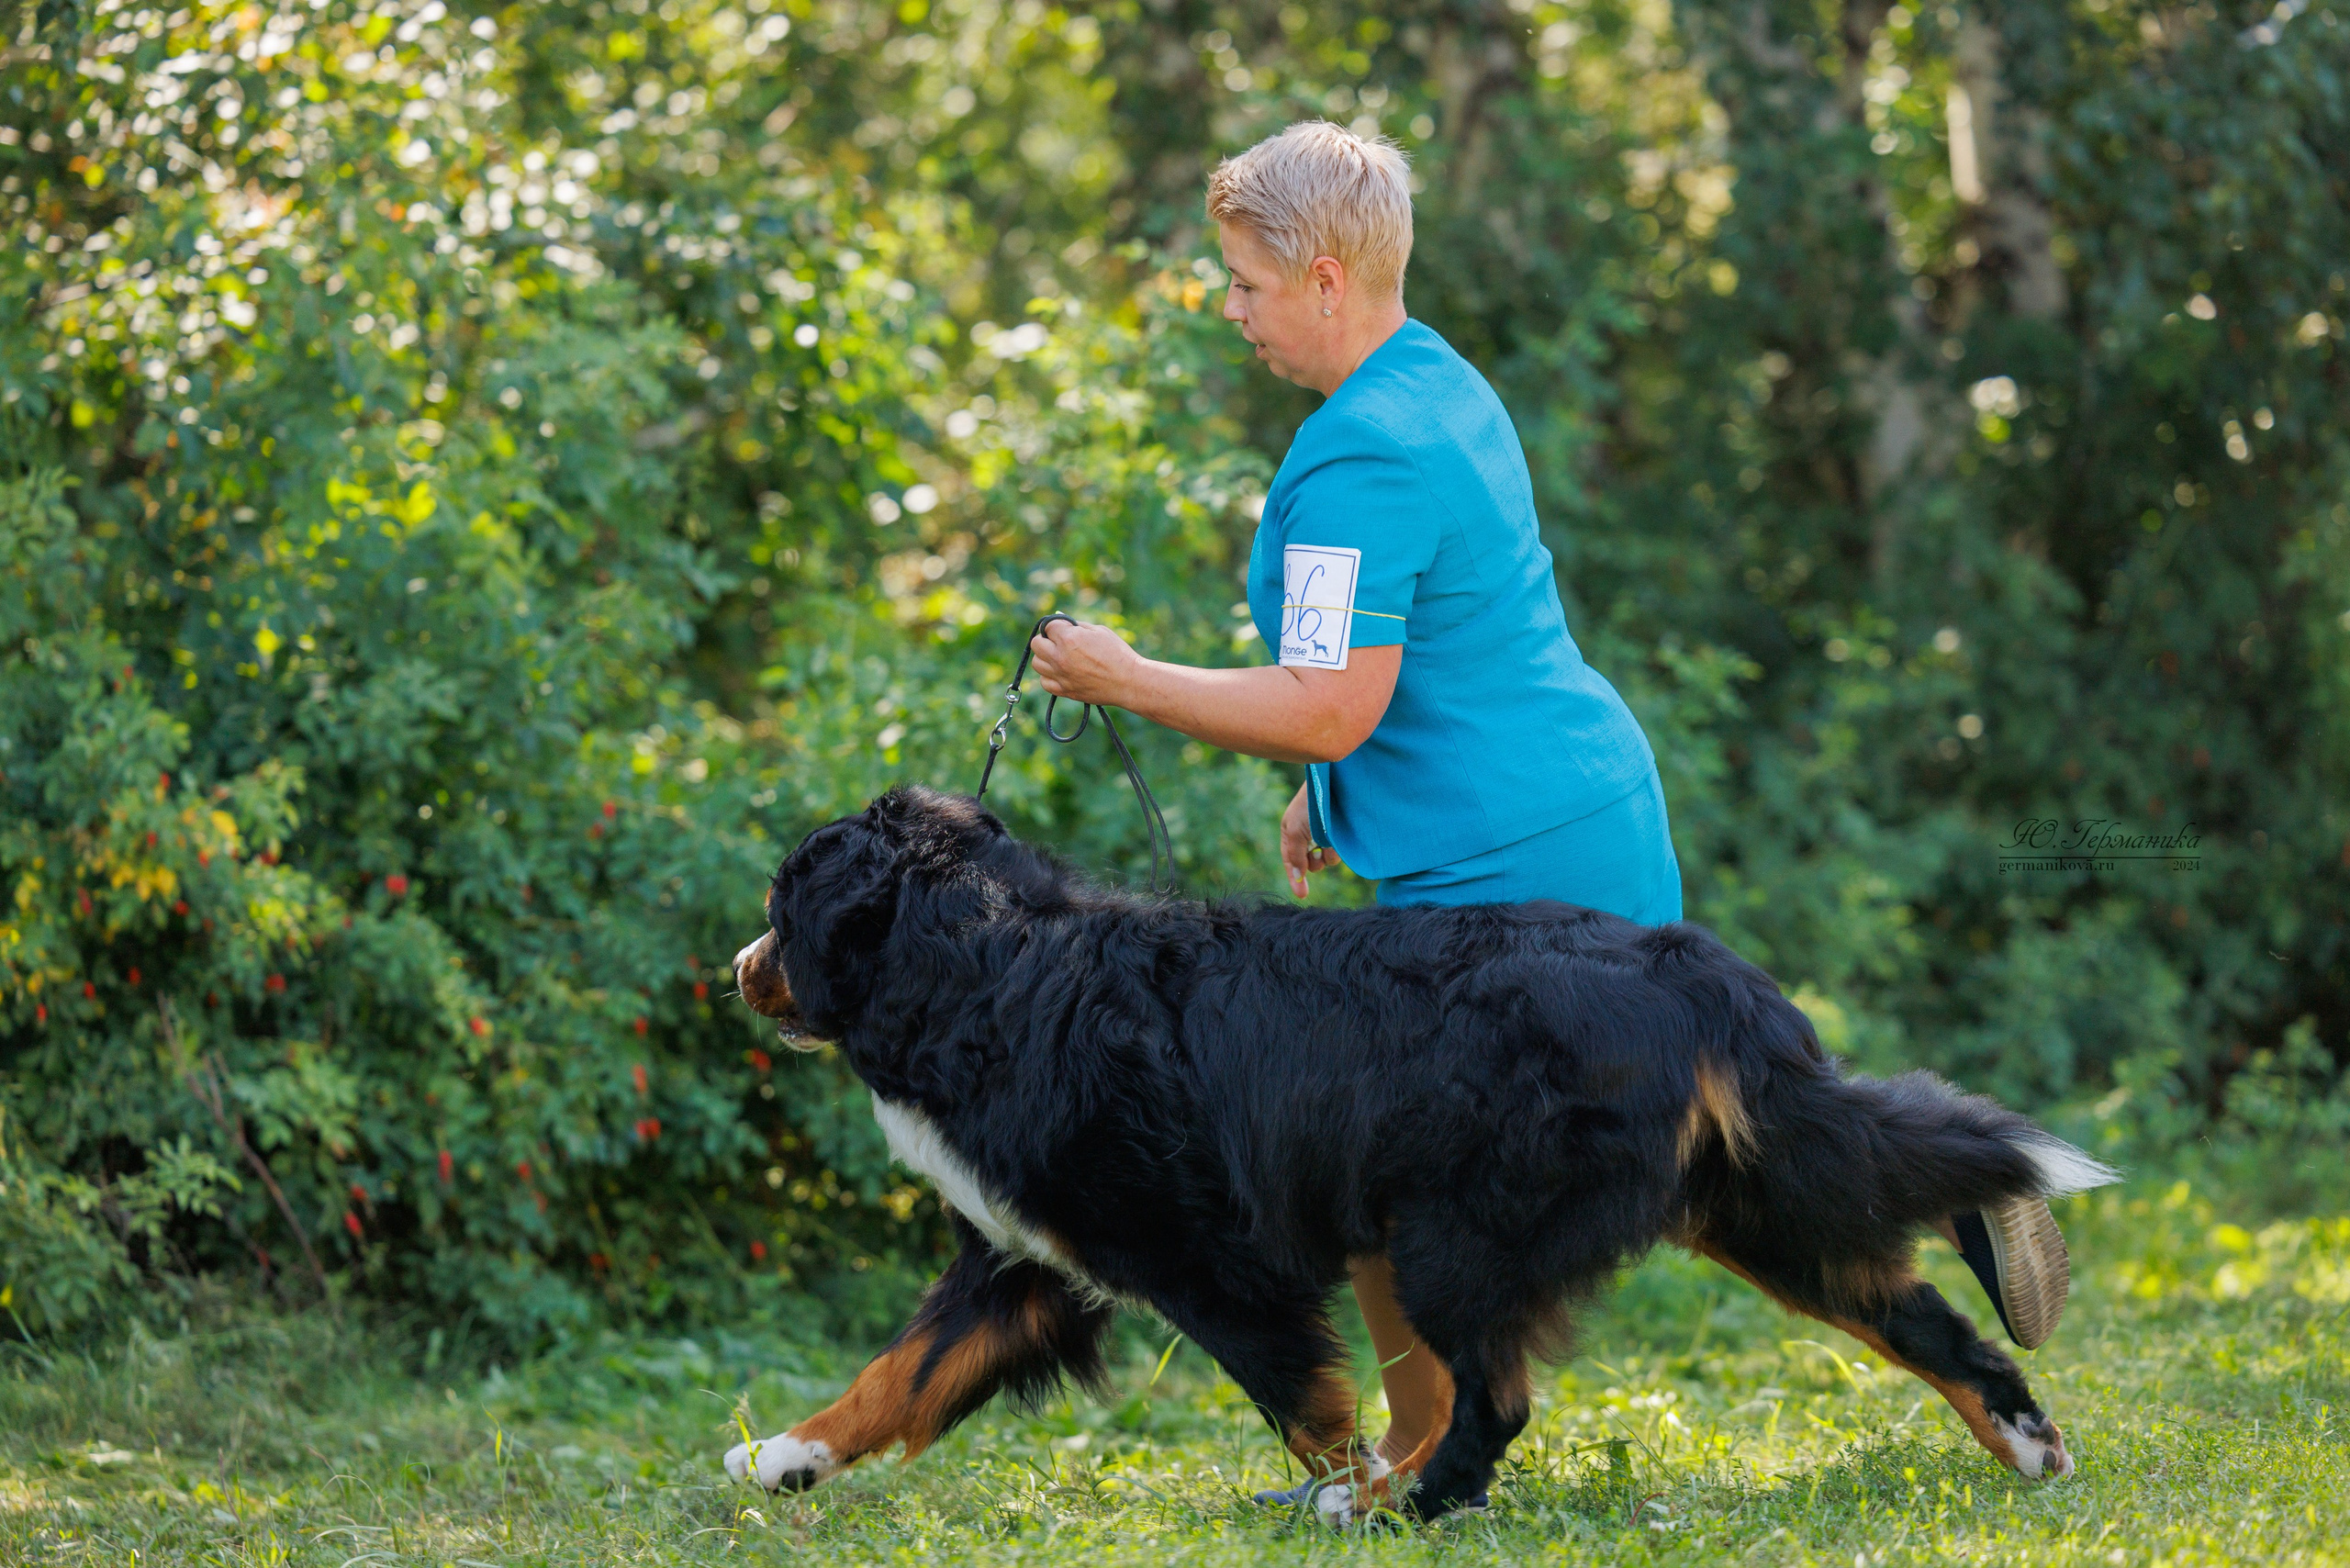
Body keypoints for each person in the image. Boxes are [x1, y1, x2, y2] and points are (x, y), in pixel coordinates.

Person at [1024, 120, 2069, 1504]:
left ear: (1326, 275)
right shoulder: (1438, 384)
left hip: (1505, 874)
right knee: (1705, 1167)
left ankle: (1416, 1466)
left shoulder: (1355, 458)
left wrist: (1130, 679)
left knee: (1406, 1179)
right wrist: (1330, 793)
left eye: (1244, 282)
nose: (1233, 310)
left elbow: (1332, 696)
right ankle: (1958, 1180)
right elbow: (1434, 652)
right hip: (1562, 816)